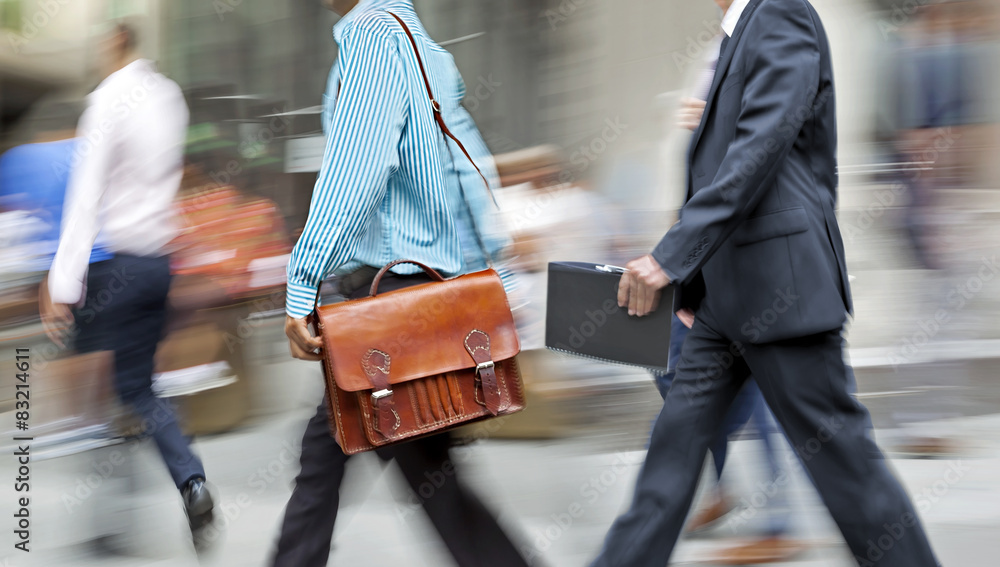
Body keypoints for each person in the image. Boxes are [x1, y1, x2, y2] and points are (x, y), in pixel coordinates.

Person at [592, 0, 942, 565]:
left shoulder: (780, 13)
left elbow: (758, 149)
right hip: (721, 304)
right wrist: (693, 285)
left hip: (782, 291)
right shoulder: (736, 32)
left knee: (847, 467)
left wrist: (670, 260)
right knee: (671, 458)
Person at [274, 1, 528, 566]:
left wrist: (302, 279)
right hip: (413, 299)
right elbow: (465, 163)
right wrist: (495, 272)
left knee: (413, 471)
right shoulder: (418, 41)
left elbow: (355, 173)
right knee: (348, 459)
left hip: (388, 304)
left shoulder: (370, 38)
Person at [37, 21, 215, 547]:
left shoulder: (107, 100)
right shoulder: (169, 96)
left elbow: (87, 194)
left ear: (116, 41)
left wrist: (61, 282)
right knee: (137, 387)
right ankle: (188, 482)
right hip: (158, 264)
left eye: (100, 41)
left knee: (105, 388)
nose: (96, 51)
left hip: (116, 269)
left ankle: (114, 518)